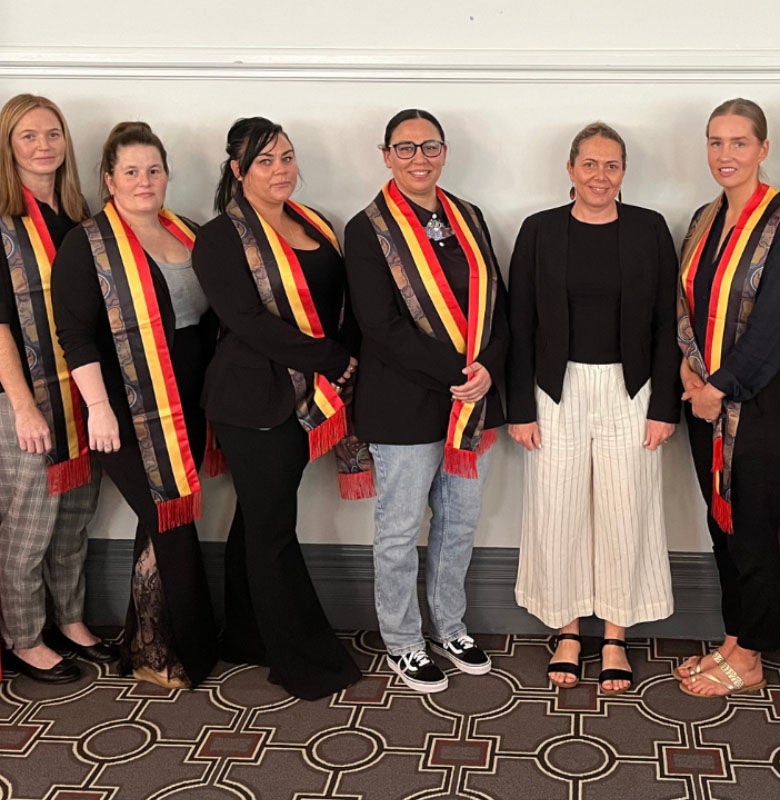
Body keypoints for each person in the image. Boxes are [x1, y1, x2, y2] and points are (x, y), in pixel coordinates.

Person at [193, 117, 361, 700]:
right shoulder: (219, 238)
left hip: (305, 395)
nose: (281, 169)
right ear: (238, 172)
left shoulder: (314, 223)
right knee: (273, 531)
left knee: (256, 521)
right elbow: (249, 322)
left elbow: (339, 300)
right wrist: (333, 358)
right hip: (252, 400)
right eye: (265, 161)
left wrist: (346, 354)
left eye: (287, 157)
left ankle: (248, 635)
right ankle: (303, 661)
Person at [509, 122, 679, 694]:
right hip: (554, 390)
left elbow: (665, 324)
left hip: (632, 391)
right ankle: (567, 630)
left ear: (624, 172)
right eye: (589, 164)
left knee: (624, 510)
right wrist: (519, 408)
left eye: (611, 166)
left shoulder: (650, 229)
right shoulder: (539, 231)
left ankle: (614, 636)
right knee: (557, 509)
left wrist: (665, 407)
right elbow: (520, 324)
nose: (599, 176)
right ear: (570, 169)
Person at [345, 109, 507, 694]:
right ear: (385, 155)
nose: (419, 158)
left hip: (472, 401)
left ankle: (450, 625)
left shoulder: (470, 217)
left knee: (458, 523)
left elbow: (498, 304)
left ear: (445, 150)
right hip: (404, 402)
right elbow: (379, 325)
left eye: (430, 146)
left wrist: (488, 365)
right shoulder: (367, 229)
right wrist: (461, 372)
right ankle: (403, 641)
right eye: (405, 148)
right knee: (399, 529)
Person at [52, 121, 218, 689]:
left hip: (190, 396)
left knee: (165, 518)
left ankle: (149, 645)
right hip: (124, 404)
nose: (144, 181)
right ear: (109, 179)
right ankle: (171, 647)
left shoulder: (190, 234)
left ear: (167, 175)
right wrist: (97, 407)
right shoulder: (88, 244)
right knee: (164, 517)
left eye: (153, 170)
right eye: (131, 171)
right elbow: (73, 334)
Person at [674, 99, 780, 698]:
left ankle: (753, 655)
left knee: (752, 529)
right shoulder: (705, 218)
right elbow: (685, 306)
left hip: (757, 402)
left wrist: (719, 388)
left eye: (737, 142)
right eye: (715, 142)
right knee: (720, 524)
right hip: (700, 396)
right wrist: (688, 372)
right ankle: (734, 636)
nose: (724, 155)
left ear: (763, 148)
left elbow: (777, 326)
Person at [0, 94, 112, 683]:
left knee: (75, 516)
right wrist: (21, 406)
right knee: (29, 525)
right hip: (23, 398)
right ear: (8, 146)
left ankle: (68, 619)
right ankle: (21, 636)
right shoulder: (1, 220)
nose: (43, 146)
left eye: (53, 134)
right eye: (28, 136)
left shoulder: (77, 216)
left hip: (79, 393)